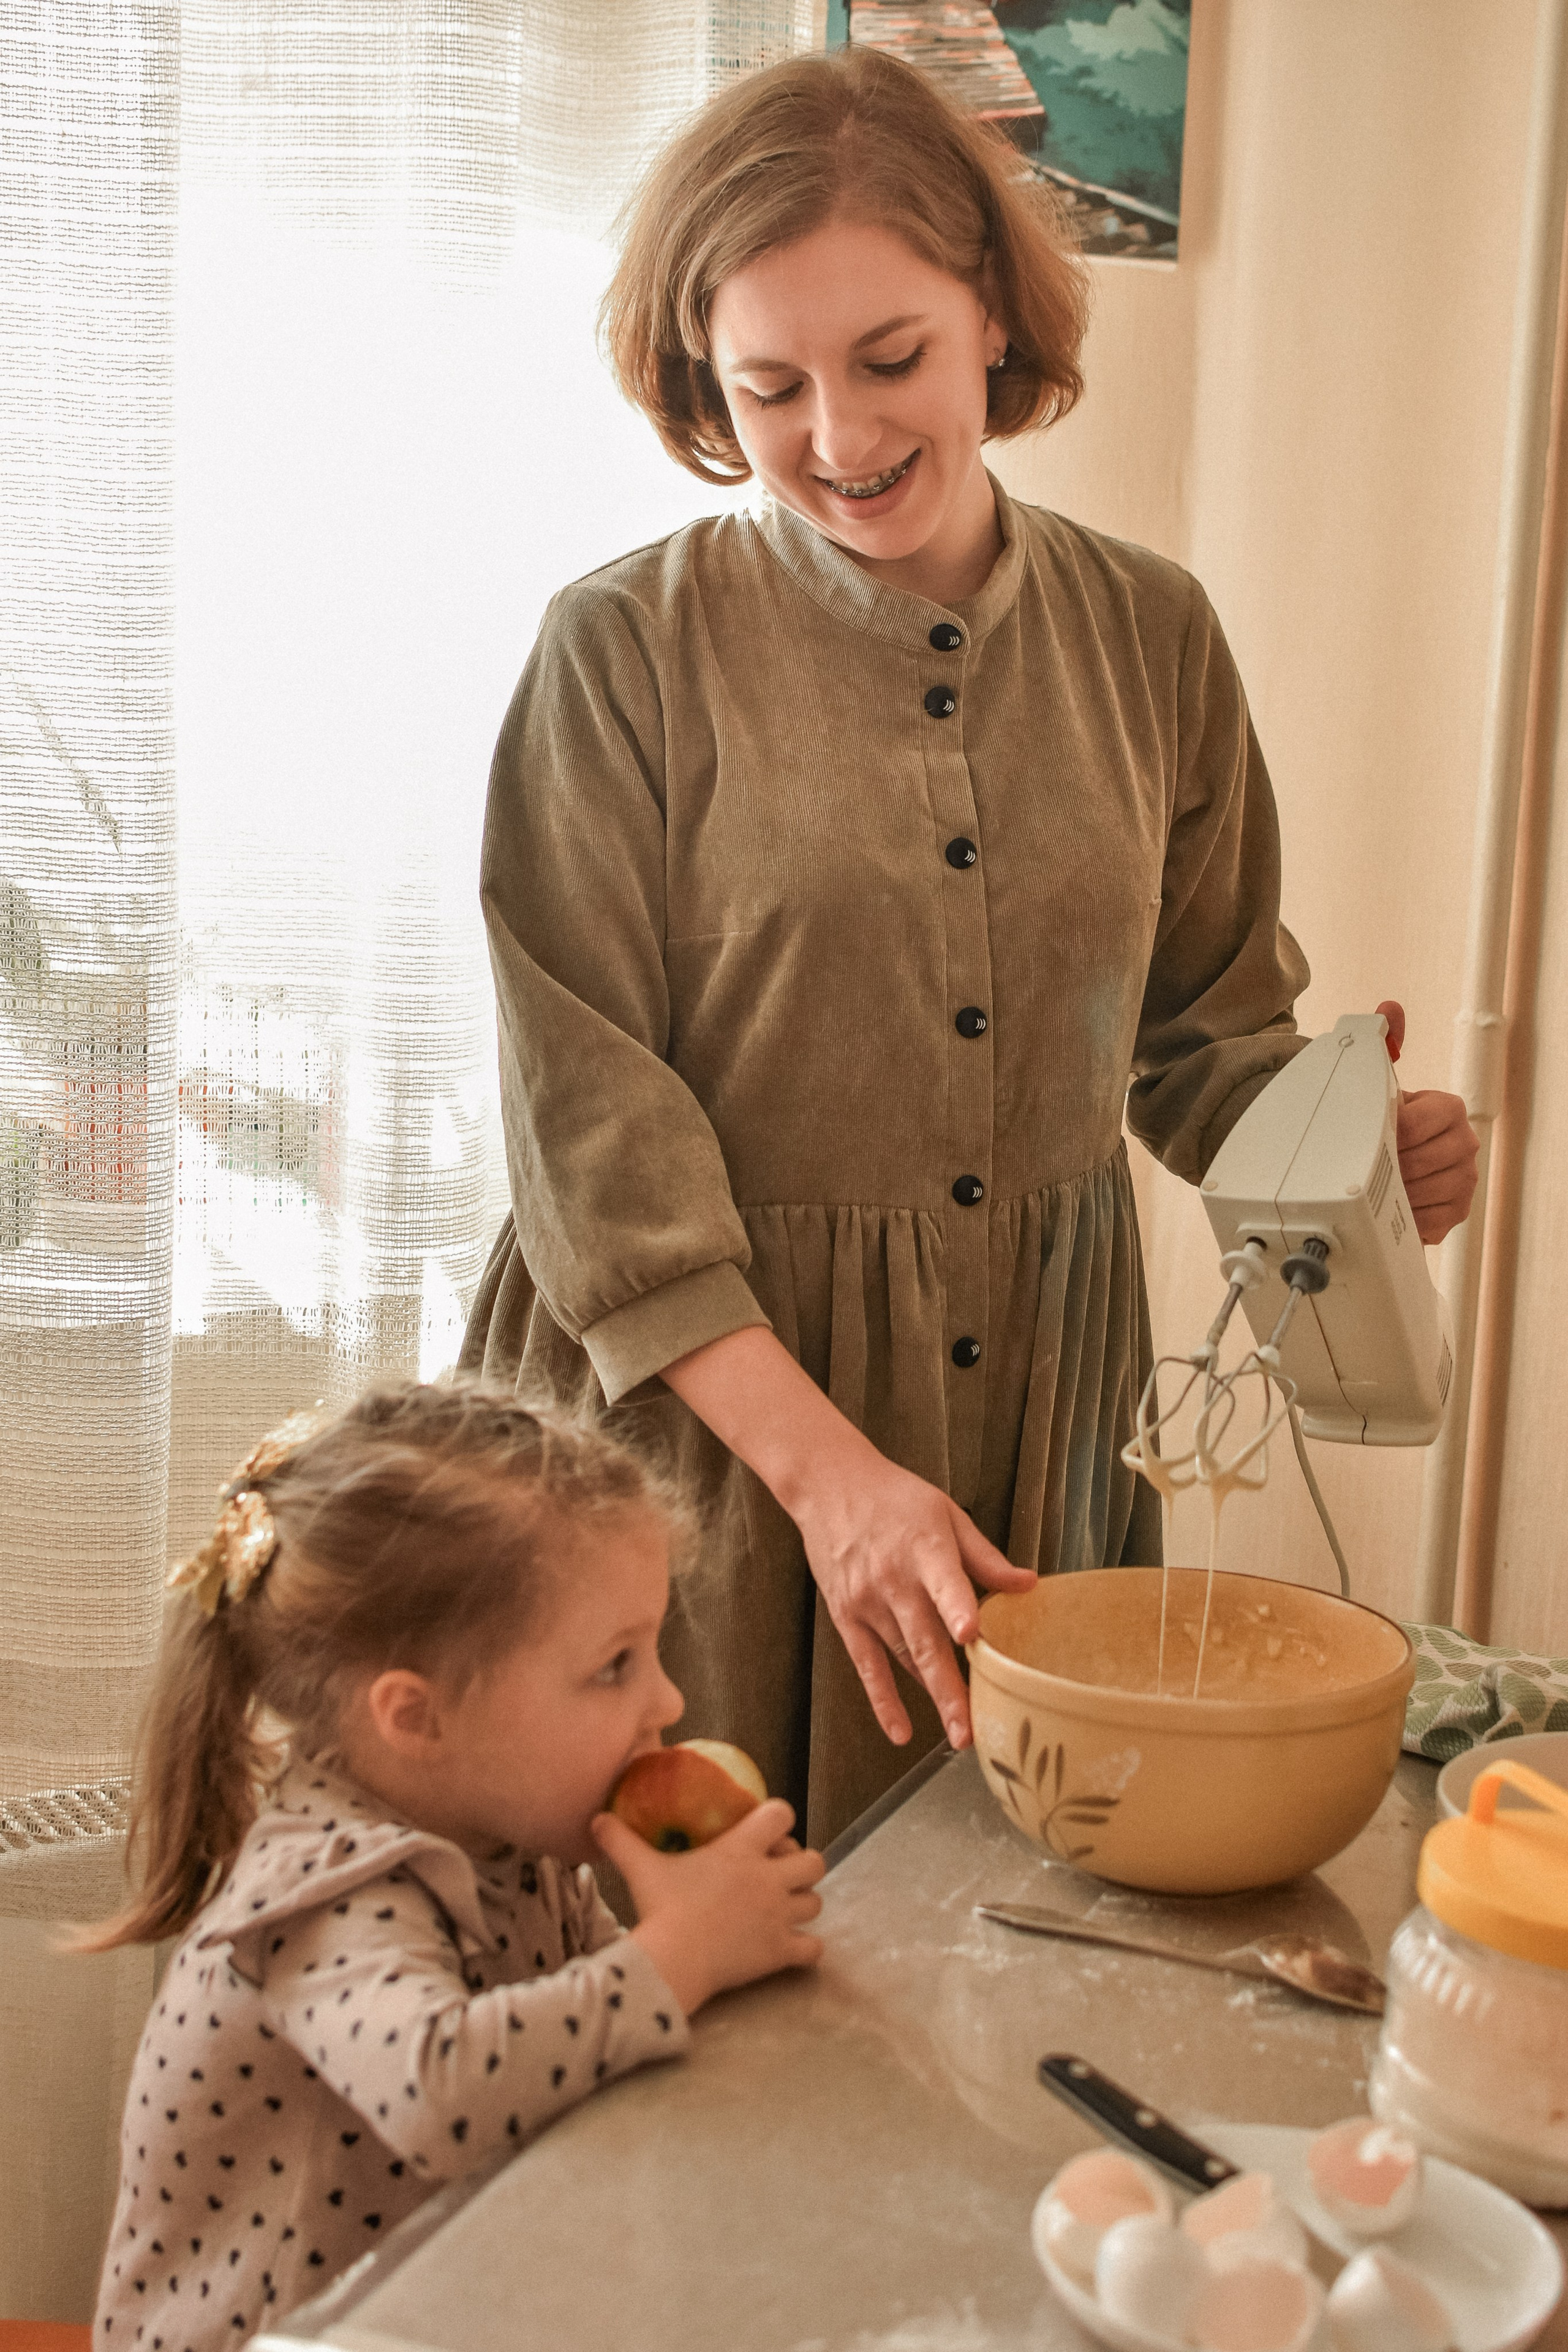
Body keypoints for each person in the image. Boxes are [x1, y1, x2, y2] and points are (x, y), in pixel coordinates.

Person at [460, 47, 1479, 1850]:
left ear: (993, 318)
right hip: (698, 1437)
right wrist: (832, 1485)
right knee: (667, 1987)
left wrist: (1344, 1157)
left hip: (1042, 1405)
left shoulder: (1152, 638)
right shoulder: (619, 659)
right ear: (701, 374)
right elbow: (592, 1141)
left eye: (891, 360)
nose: (839, 442)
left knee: (998, 1955)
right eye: (766, 385)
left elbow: (1206, 1036)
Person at [84, 1382, 824, 2352]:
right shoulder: (326, 1895)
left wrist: (719, 1934)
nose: (670, 1699)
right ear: (419, 1717)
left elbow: (601, 2023)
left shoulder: (505, 1835)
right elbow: (439, 2093)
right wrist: (681, 1953)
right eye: (614, 1666)